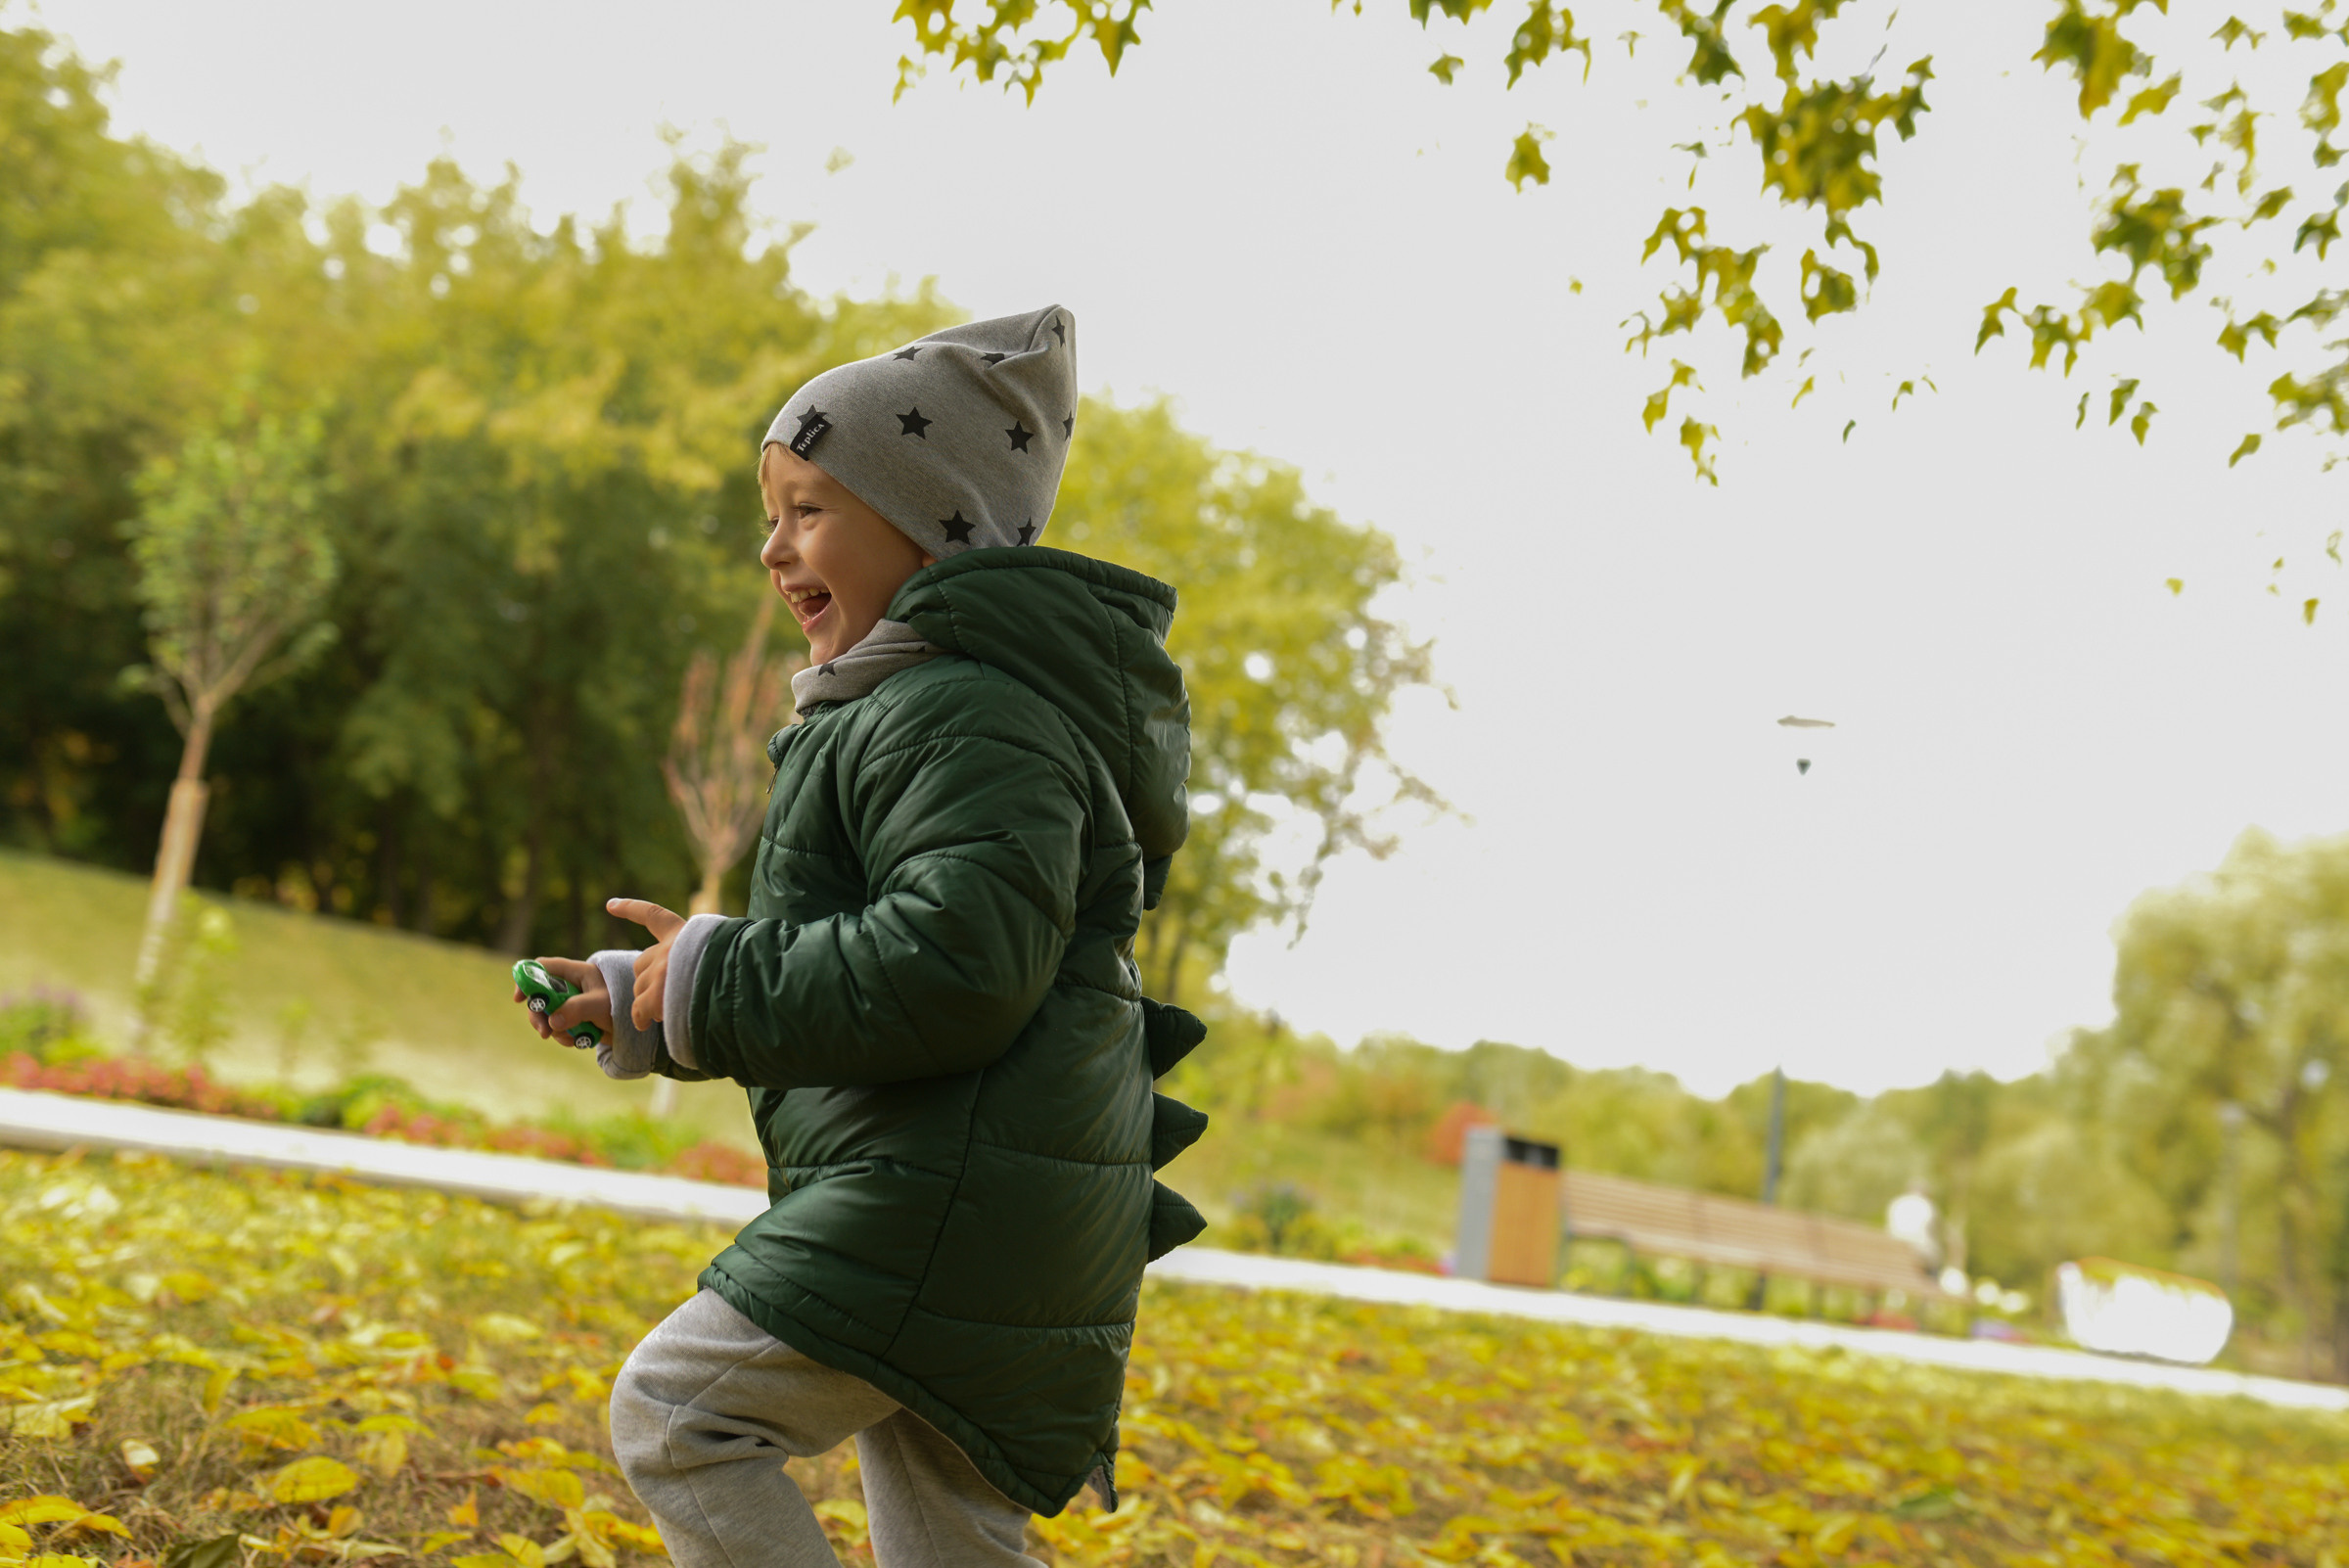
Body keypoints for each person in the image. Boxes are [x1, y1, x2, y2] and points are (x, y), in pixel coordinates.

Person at [511, 304, 1213, 1568]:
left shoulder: (969, 716)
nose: (772, 546)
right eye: (770, 510)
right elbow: (854, 970)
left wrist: (719, 968)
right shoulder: (936, 709)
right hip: (993, 1206)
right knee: (953, 1539)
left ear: (930, 525)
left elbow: (953, 967)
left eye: (808, 509)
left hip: (943, 1200)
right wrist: (656, 994)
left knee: (681, 1413)